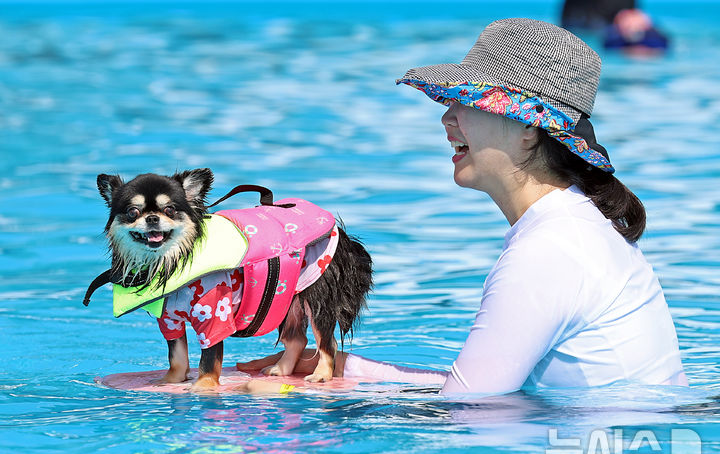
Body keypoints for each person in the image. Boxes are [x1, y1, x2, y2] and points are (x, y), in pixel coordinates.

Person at [237, 18, 688, 396]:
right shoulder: (574, 228)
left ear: (528, 128)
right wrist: (341, 366)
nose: (446, 117)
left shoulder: (550, 251)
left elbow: (468, 410)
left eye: (466, 101)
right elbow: (481, 390)